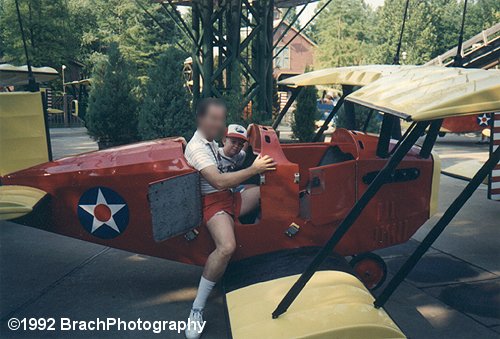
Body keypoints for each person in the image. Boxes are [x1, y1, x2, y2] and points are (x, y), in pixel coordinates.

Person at [183, 98, 276, 339]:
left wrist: (251, 146)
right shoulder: (198, 147)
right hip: (213, 202)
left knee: (270, 193)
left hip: (227, 196)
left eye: (220, 119)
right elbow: (219, 181)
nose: (217, 123)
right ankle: (197, 309)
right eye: (212, 118)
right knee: (226, 247)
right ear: (200, 119)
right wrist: (255, 170)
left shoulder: (212, 142)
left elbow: (235, 155)